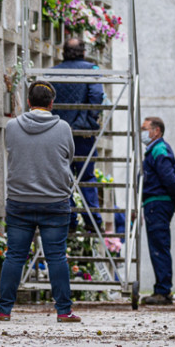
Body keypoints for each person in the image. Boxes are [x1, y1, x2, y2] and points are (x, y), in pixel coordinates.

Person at [0, 80, 82, 323]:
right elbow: (69, 156)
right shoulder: (63, 128)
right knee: (57, 257)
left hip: (20, 201)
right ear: (52, 104)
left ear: (29, 102)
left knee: (15, 256)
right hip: (55, 201)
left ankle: (3, 310)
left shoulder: (12, 126)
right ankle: (64, 311)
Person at [51, 38, 104, 232]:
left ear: (63, 52)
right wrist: (90, 119)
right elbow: (97, 95)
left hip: (58, 134)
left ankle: (69, 218)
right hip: (82, 134)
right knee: (86, 176)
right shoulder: (91, 70)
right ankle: (92, 219)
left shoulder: (51, 73)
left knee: (62, 176)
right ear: (83, 52)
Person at [139, 116, 175, 305]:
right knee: (158, 245)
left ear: (156, 131)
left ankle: (163, 291)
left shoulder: (159, 150)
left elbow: (169, 178)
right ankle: (161, 289)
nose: (142, 133)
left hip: (158, 203)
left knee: (159, 246)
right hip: (155, 203)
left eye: (145, 128)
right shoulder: (154, 150)